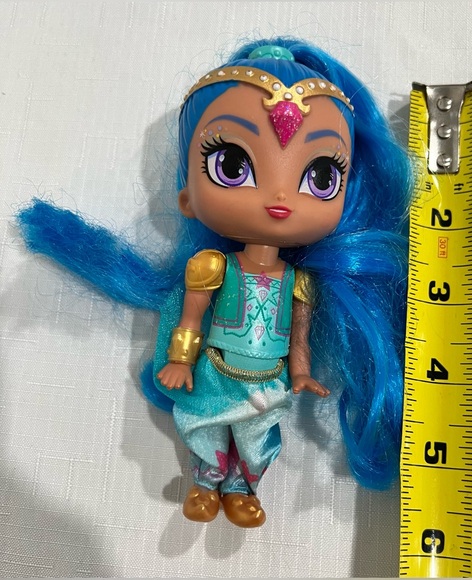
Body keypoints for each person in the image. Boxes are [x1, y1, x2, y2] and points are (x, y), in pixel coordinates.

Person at [16, 38, 411, 528]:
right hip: (216, 369)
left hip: (268, 379)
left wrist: (302, 372)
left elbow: (299, 337)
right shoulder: (211, 267)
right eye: (233, 166)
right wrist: (180, 360)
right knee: (204, 425)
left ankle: (243, 488)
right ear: (187, 194)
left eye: (321, 175)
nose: (279, 197)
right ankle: (205, 481)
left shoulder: (299, 283)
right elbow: (190, 316)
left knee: (258, 434)